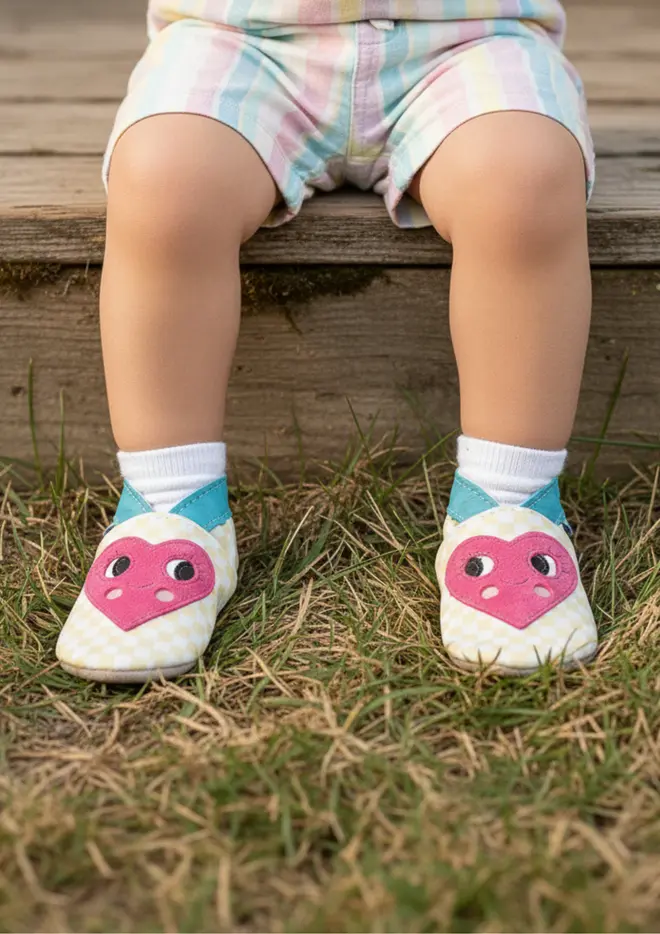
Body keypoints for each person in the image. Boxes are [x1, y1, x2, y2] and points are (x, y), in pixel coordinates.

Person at [56, 0, 599, 682]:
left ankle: (510, 501)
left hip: (469, 40)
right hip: (242, 39)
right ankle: (169, 501)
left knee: (524, 180)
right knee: (165, 179)